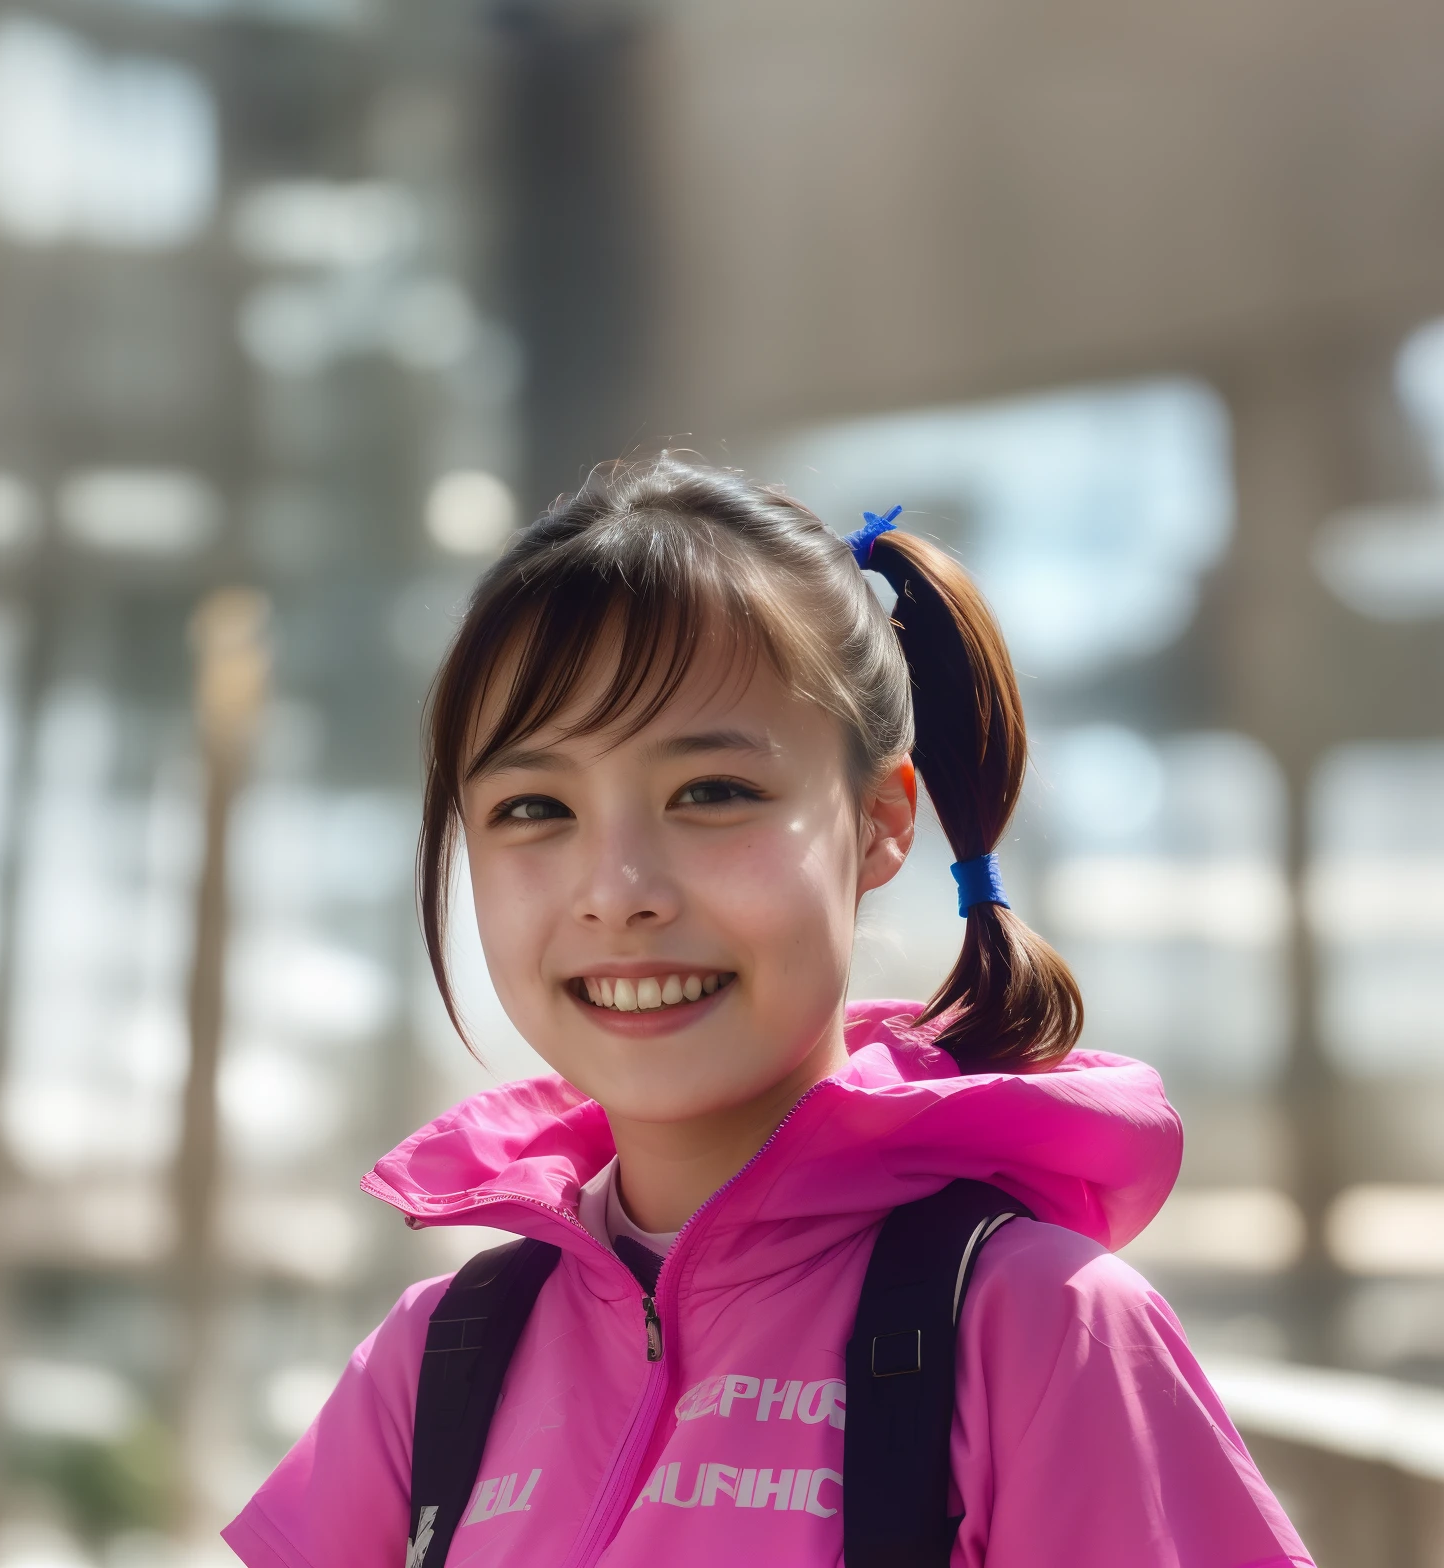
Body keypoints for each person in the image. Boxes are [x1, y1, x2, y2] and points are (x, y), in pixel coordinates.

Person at [224, 455, 1311, 1568]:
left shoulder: (1040, 1333)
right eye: (534, 805)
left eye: (711, 792)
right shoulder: (431, 1367)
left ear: (883, 821)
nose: (619, 887)